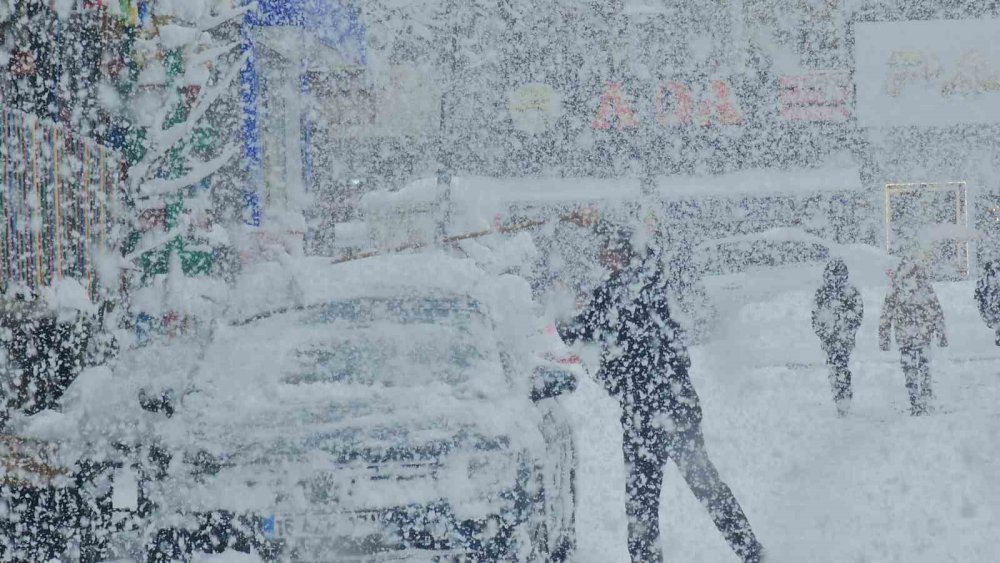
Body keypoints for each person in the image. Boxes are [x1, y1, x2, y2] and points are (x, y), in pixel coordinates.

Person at [558, 231, 764, 563]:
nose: (602, 260)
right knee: (703, 488)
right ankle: (753, 553)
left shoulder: (621, 293)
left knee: (643, 506)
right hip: (672, 405)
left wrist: (563, 305)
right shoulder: (652, 285)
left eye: (607, 254)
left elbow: (578, 333)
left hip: (647, 412)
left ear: (619, 256)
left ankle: (746, 554)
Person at [878, 259, 948, 416]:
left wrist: (884, 338)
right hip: (924, 335)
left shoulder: (896, 288)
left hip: (904, 336)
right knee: (924, 368)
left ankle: (915, 400)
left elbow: (886, 315)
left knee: (909, 369)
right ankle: (925, 396)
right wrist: (941, 334)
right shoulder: (924, 286)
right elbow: (936, 311)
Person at [811, 259, 863, 417]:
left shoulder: (845, 292)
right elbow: (815, 317)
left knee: (838, 367)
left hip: (841, 339)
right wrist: (824, 332)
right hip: (833, 339)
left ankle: (842, 398)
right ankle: (842, 397)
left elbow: (857, 315)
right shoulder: (825, 292)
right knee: (837, 367)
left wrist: (845, 329)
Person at [975, 260, 1000, 346]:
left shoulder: (984, 279)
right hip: (991, 306)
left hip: (990, 306)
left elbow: (979, 294)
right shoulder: (987, 278)